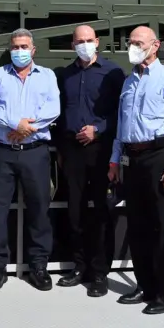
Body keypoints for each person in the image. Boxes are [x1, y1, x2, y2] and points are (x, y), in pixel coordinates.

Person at [108, 26, 164, 315]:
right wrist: (115, 158)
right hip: (132, 160)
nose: (133, 46)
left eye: (138, 42)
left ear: (155, 46)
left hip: (158, 157)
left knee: (162, 228)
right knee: (138, 226)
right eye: (130, 42)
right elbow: (122, 125)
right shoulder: (129, 81)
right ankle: (144, 286)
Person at [0, 28, 60, 292]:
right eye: (15, 47)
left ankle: (38, 266)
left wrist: (27, 128)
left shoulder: (47, 76)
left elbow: (52, 109)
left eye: (24, 47)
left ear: (33, 50)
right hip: (3, 152)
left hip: (36, 152)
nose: (19, 51)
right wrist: (15, 123)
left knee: (40, 210)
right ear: (9, 49)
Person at [54, 25, 125, 297]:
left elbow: (123, 111)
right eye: (79, 41)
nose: (84, 44)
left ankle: (100, 273)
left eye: (88, 40)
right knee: (75, 211)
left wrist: (98, 129)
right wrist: (61, 148)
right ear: (72, 44)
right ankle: (79, 266)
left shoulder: (113, 73)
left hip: (101, 152)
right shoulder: (65, 75)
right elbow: (59, 114)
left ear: (97, 42)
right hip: (72, 152)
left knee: (101, 212)